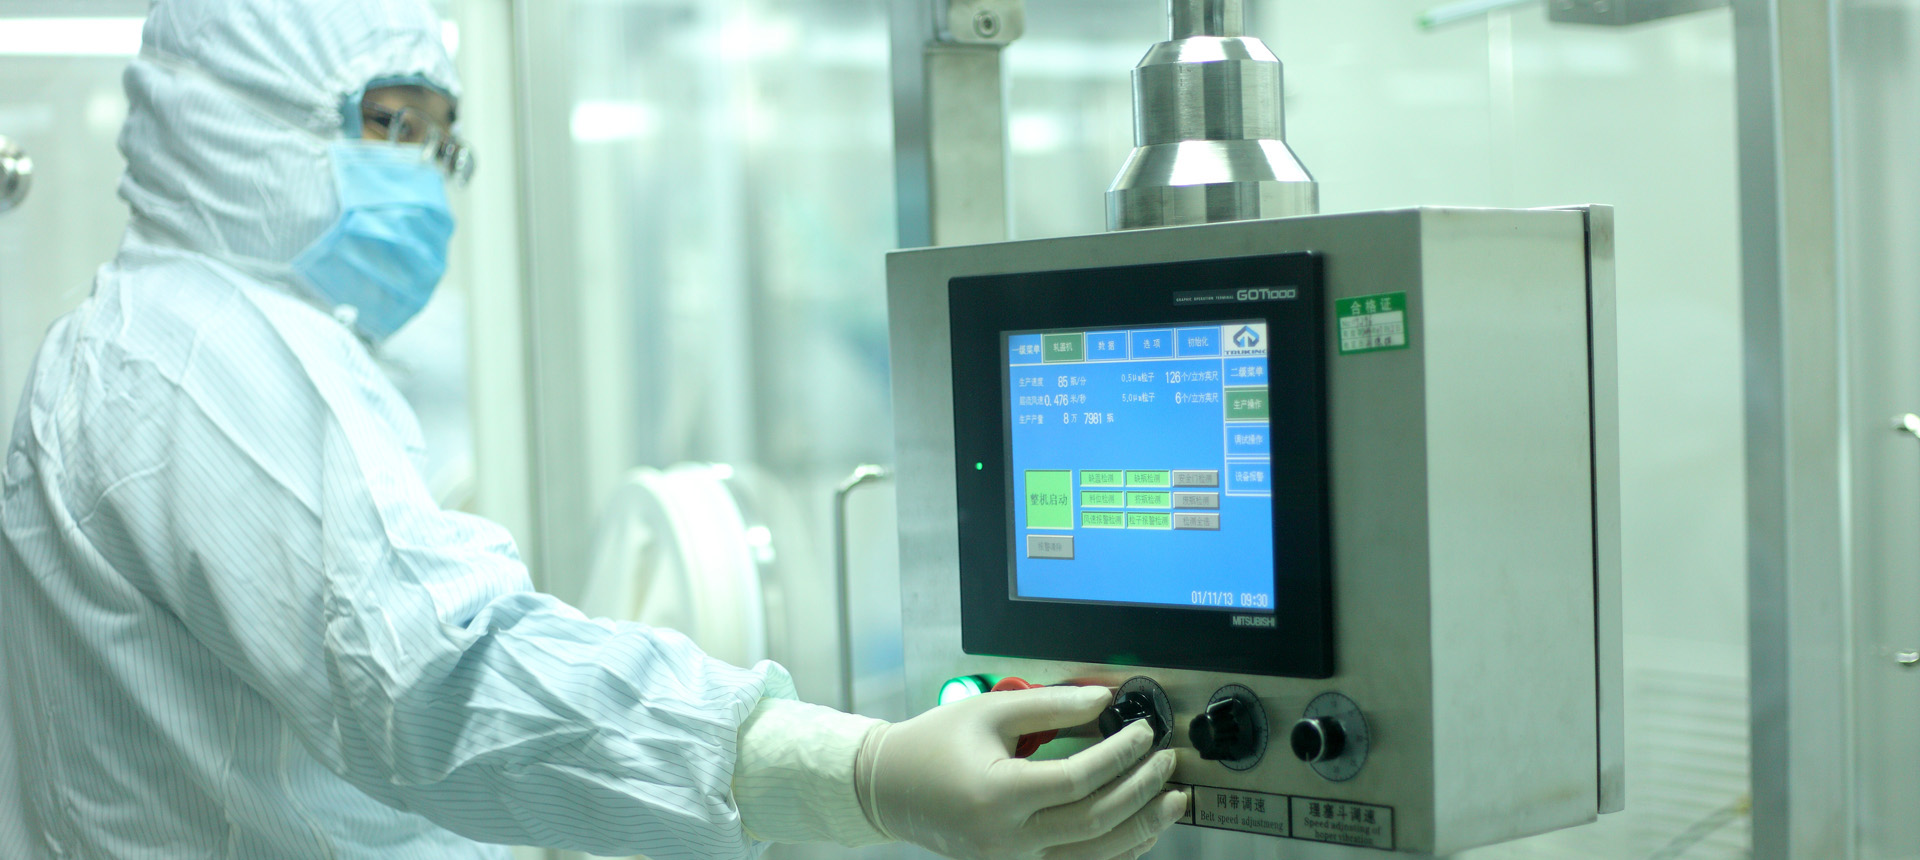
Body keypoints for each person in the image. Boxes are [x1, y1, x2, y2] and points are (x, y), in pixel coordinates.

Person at [0, 1, 1188, 858]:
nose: (422, 174)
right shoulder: (209, 351)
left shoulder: (168, 338)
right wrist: (858, 770)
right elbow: (437, 674)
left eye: (438, 139)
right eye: (389, 123)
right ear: (234, 115)